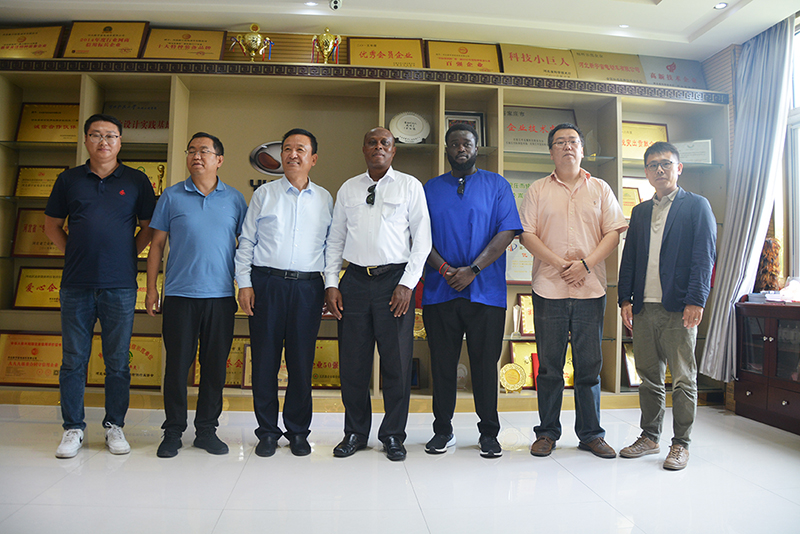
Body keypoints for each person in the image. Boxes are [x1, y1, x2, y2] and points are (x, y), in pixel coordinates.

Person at [44, 114, 156, 459]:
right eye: (96, 135)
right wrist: (74, 253)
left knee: (117, 361)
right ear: (86, 140)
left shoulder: (136, 180)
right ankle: (73, 428)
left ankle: (114, 425)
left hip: (119, 285)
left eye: (111, 136)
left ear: (120, 141)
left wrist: (127, 255)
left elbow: (148, 228)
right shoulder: (68, 180)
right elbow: (51, 226)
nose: (104, 142)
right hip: (76, 284)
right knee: (73, 360)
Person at [519, 123, 627, 459]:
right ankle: (547, 432)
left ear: (582, 150)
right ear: (551, 151)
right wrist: (560, 265)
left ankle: (591, 434)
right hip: (548, 288)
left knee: (589, 366)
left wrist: (585, 264)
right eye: (560, 142)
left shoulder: (601, 188)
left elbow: (613, 232)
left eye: (573, 142)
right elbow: (527, 234)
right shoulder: (537, 189)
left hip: (590, 290)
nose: (567, 147)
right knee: (549, 367)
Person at [325, 127, 431, 461]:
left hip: (394, 282)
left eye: (385, 143)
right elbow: (335, 240)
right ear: (364, 149)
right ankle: (355, 433)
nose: (378, 147)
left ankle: (393, 435)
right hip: (354, 281)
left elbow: (422, 240)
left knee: (396, 364)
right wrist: (331, 283)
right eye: (372, 142)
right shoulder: (348, 188)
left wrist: (407, 284)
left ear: (393, 150)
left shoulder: (410, 186)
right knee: (353, 365)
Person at [422, 123, 521, 458]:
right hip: (441, 290)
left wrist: (473, 270)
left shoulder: (497, 185)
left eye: (466, 143)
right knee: (442, 364)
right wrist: (445, 270)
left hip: (486, 292)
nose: (460, 148)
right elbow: (419, 236)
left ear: (477, 148)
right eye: (454, 143)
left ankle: (489, 433)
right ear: (446, 150)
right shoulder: (431, 188)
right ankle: (442, 430)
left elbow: (507, 231)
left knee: (484, 365)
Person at [145, 132, 247, 458]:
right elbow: (156, 245)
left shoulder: (235, 200)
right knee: (176, 367)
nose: (196, 156)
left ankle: (206, 430)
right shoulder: (172, 196)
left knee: (214, 367)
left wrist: (245, 285)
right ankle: (173, 431)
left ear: (219, 160)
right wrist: (151, 288)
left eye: (204, 151)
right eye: (191, 151)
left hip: (220, 297)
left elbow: (246, 247)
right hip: (179, 296)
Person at [618, 141, 716, 471]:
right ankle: (649, 437)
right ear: (646, 172)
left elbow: (704, 257)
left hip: (679, 306)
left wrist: (696, 300)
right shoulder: (640, 212)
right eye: (653, 165)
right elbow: (629, 258)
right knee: (649, 377)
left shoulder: (697, 206)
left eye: (666, 163)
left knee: (684, 379)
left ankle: (681, 443)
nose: (659, 169)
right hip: (644, 306)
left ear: (679, 168)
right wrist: (625, 298)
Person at [235, 128, 333, 458]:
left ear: (313, 159)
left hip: (308, 287)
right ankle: (266, 432)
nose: (292, 154)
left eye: (300, 149)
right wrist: (244, 283)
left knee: (301, 362)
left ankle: (298, 431)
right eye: (287, 149)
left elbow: (331, 247)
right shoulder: (264, 195)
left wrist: (330, 285)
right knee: (265, 361)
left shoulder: (324, 199)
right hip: (267, 284)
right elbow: (247, 241)